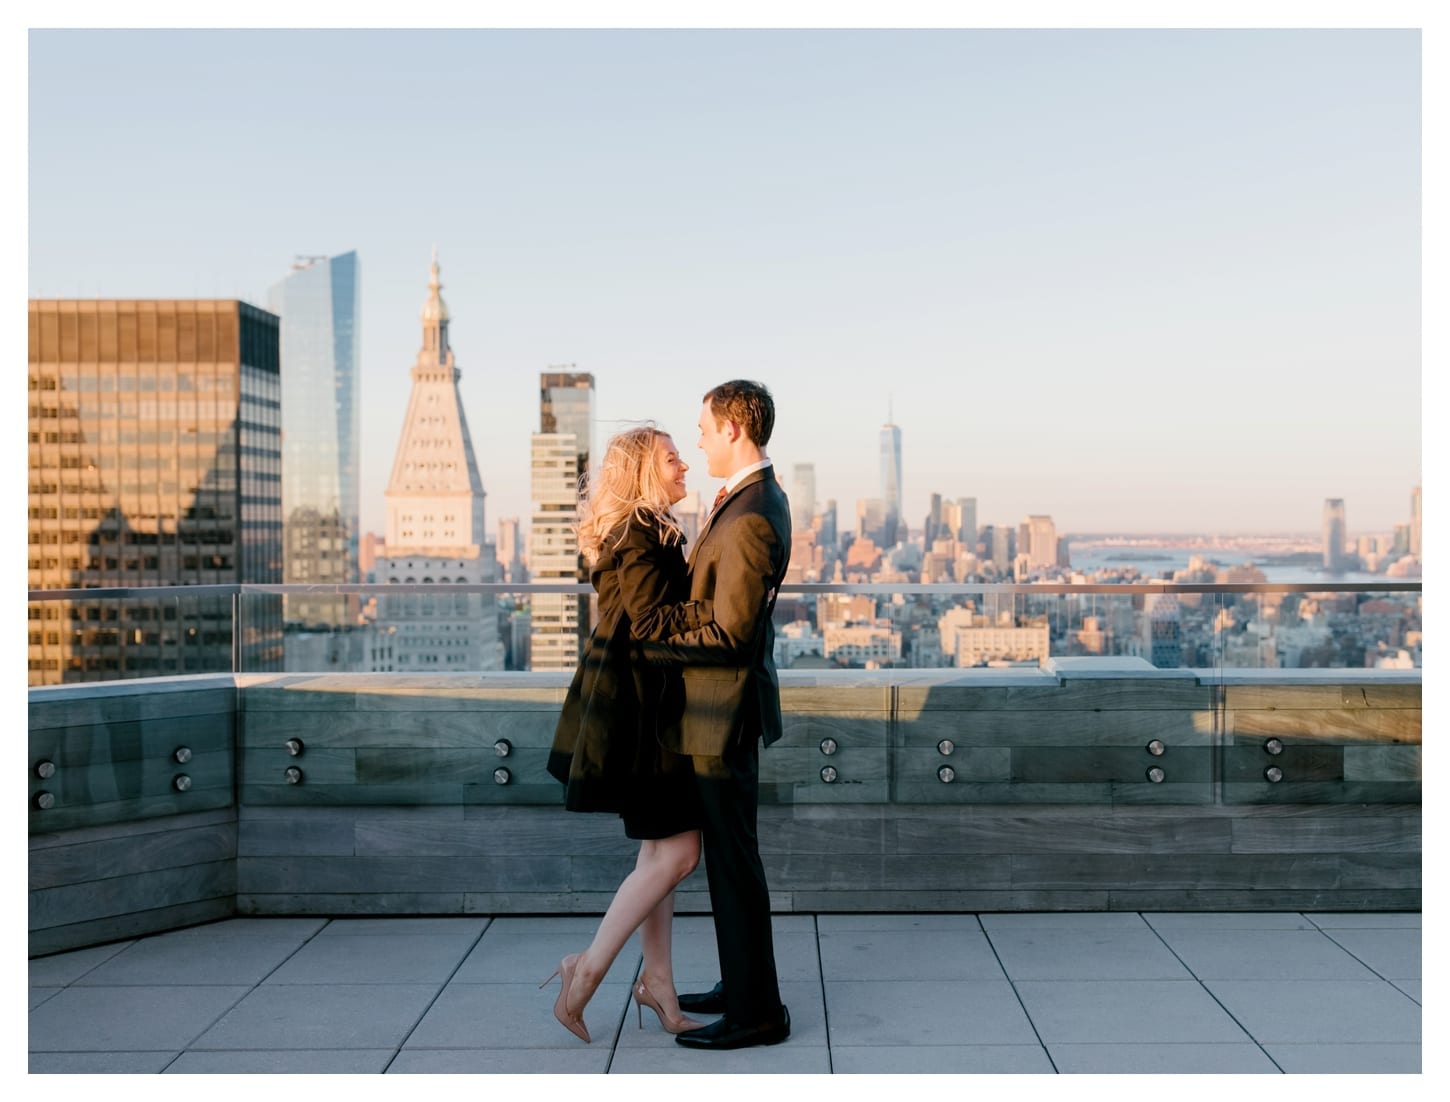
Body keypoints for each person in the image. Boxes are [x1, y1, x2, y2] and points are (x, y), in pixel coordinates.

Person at [541, 425, 714, 1044]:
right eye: (672, 458)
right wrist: (719, 609)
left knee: (658, 855)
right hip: (647, 710)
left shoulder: (642, 527)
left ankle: (659, 985)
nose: (685, 465)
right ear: (645, 470)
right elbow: (650, 620)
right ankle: (584, 972)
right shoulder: (642, 531)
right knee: (680, 853)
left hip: (637, 702)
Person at [641, 380, 793, 1051]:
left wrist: (649, 634)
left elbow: (728, 631)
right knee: (732, 862)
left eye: (703, 427)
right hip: (719, 709)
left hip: (722, 712)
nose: (697, 438)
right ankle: (743, 988)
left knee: (734, 864)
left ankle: (758, 1014)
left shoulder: (754, 512)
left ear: (733, 427)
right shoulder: (748, 500)